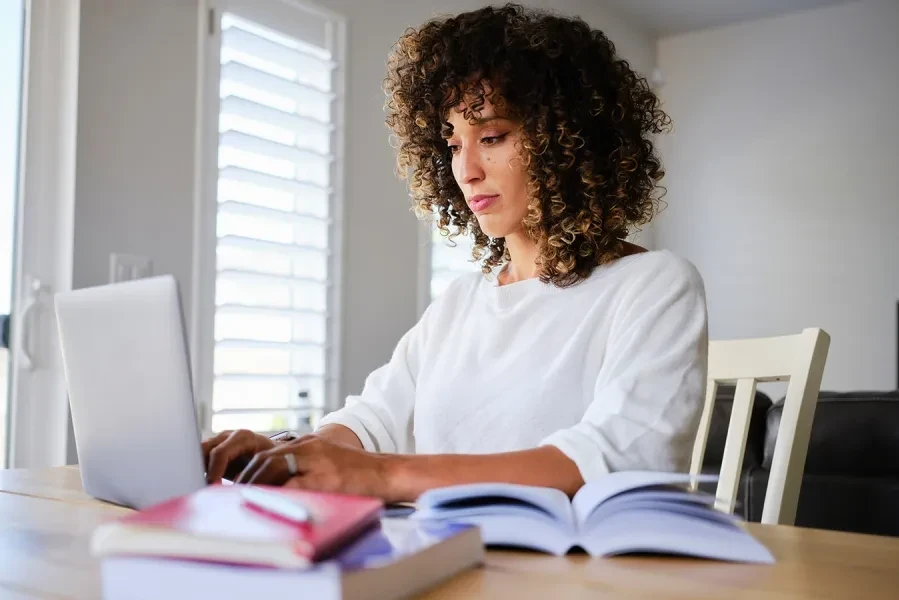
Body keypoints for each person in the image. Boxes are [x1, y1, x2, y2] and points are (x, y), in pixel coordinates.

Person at [202, 3, 708, 503]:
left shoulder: (653, 284)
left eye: (491, 136)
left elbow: (618, 457)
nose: (465, 170)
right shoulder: (460, 304)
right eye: (451, 143)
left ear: (570, 143)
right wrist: (284, 453)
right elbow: (373, 422)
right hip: (446, 558)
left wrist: (381, 477)